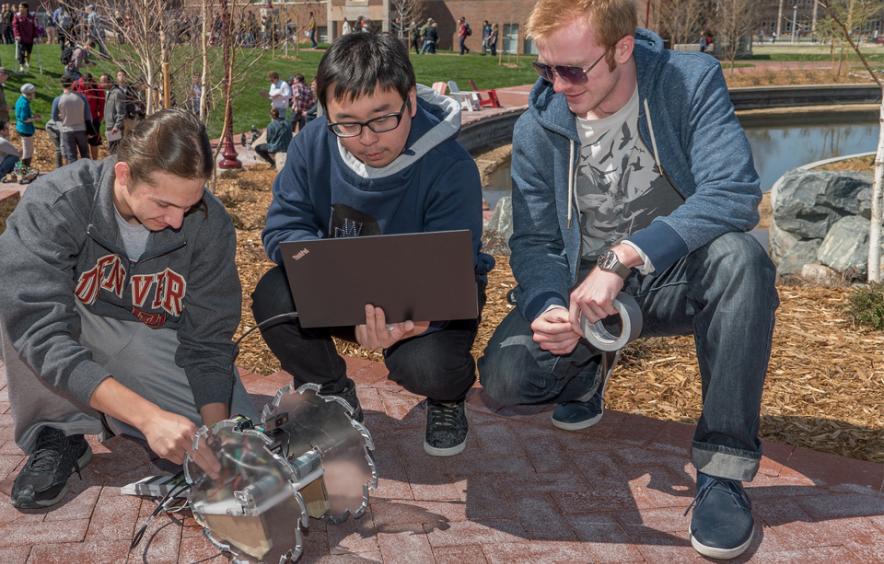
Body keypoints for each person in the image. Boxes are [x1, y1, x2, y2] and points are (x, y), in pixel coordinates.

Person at [477, 0, 778, 560]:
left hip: (674, 276)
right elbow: (536, 242)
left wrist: (624, 257)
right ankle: (589, 367)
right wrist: (547, 304)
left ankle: (721, 471)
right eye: (545, 69)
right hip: (585, 296)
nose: (558, 85)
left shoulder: (688, 83)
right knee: (507, 379)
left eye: (572, 70)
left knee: (741, 259)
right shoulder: (537, 129)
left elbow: (734, 195)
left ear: (621, 49)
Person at [0, 108, 257, 509]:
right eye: (164, 204)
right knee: (16, 301)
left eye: (188, 206)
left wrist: (216, 433)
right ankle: (59, 430)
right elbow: (38, 325)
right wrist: (147, 417)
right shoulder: (59, 200)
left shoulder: (209, 222)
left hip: (148, 337)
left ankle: (112, 408)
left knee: (239, 444)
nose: (176, 221)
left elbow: (207, 339)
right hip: (75, 320)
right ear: (124, 174)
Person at [252, 32, 493, 457]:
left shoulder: (451, 167)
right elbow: (284, 227)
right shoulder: (312, 143)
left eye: (383, 119)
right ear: (326, 111)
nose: (366, 138)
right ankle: (332, 391)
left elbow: (451, 264)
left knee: (425, 366)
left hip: (421, 309)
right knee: (273, 298)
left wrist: (418, 321)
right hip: (338, 290)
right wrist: (322, 275)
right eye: (347, 122)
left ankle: (448, 398)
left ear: (411, 102)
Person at [51, 75, 92, 164]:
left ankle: (74, 176)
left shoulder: (58, 100)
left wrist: (61, 118)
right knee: (85, 155)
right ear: (72, 84)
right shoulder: (82, 97)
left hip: (67, 130)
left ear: (61, 84)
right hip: (81, 129)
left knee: (72, 157)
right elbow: (88, 116)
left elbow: (54, 117)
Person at [104, 69, 129, 153]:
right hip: (109, 126)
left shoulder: (117, 93)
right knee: (112, 149)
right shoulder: (109, 92)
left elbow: (121, 112)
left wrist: (116, 126)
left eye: (104, 81)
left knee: (115, 150)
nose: (101, 84)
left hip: (114, 128)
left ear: (110, 81)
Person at [14, 82, 37, 169]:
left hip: (22, 128)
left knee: (27, 150)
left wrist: (32, 116)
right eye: (33, 93)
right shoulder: (25, 103)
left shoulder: (21, 99)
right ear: (29, 93)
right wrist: (35, 119)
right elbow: (24, 119)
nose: (34, 94)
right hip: (25, 129)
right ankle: (23, 173)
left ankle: (22, 170)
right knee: (28, 152)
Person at [12, 2, 35, 72]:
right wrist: (17, 35)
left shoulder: (31, 16)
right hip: (21, 38)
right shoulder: (17, 16)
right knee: (21, 52)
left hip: (30, 38)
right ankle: (21, 66)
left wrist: (35, 36)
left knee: (29, 52)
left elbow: (35, 27)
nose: (19, 9)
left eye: (21, 7)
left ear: (26, 8)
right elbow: (15, 26)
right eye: (19, 7)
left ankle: (27, 62)